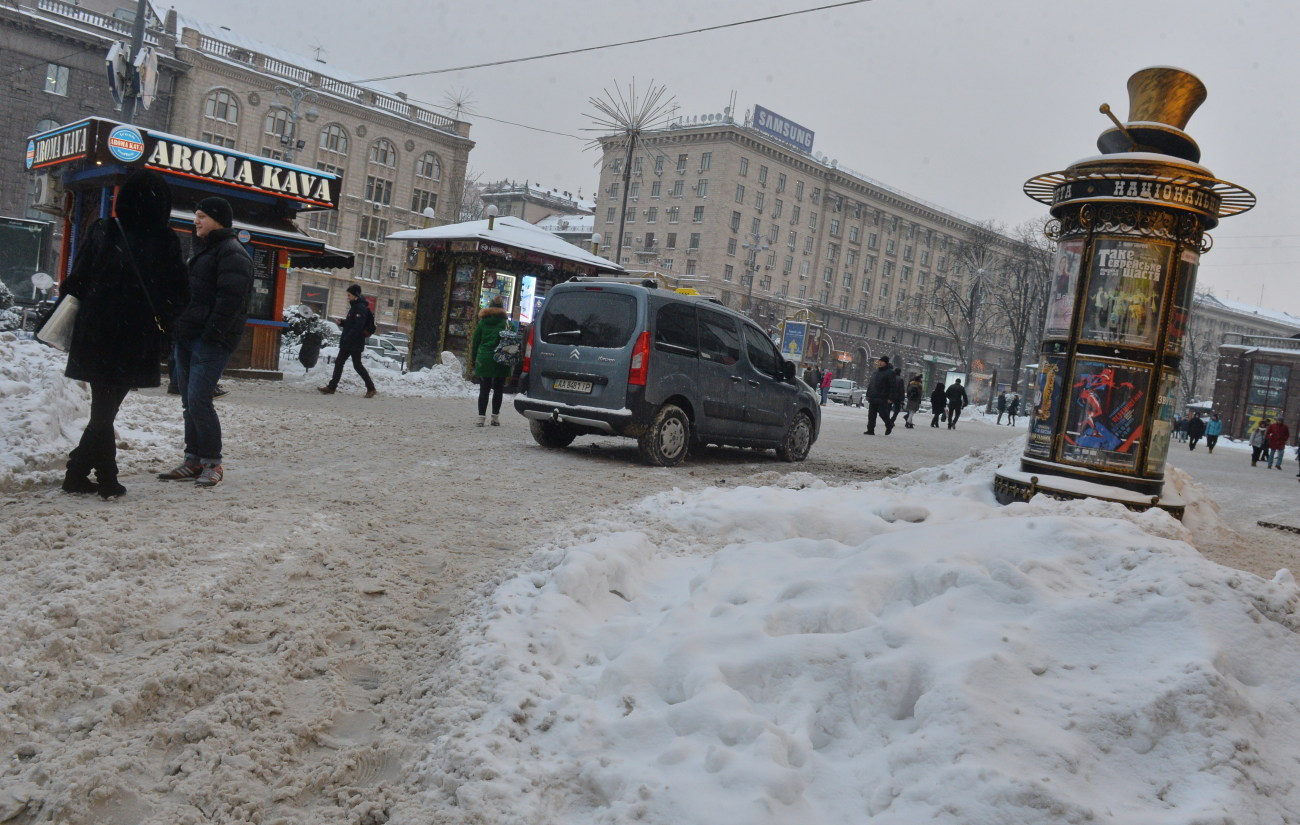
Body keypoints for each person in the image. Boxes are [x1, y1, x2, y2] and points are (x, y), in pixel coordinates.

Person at [58, 170, 189, 498]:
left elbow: (74, 283)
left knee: (103, 408)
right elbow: (179, 295)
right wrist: (159, 314)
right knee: (105, 409)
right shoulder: (166, 240)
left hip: (96, 335)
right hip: (135, 338)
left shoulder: (104, 229)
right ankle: (104, 478)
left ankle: (79, 473)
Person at [157, 196, 253, 489]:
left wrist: (211, 334)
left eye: (201, 216)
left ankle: (212, 462)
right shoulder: (203, 251)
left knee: (199, 401)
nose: (195, 221)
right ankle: (193, 459)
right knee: (189, 402)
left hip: (209, 341)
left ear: (217, 219)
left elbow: (230, 301)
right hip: (188, 337)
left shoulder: (232, 253)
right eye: (195, 215)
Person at [318, 284, 377, 397]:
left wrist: (348, 337)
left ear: (355, 295)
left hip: (354, 341)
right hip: (350, 341)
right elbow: (353, 323)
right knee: (340, 363)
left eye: (349, 295)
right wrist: (343, 323)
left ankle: (371, 388)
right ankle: (332, 387)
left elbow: (358, 326)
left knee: (356, 365)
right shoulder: (355, 307)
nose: (347, 297)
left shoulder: (360, 307)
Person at [470, 295, 512, 426]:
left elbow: (476, 342)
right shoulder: (506, 323)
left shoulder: (483, 322)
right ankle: (495, 418)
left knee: (484, 389)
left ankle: (481, 418)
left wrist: (473, 359)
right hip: (501, 358)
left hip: (485, 358)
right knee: (498, 388)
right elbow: (513, 340)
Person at [863, 356, 895, 435]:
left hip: (883, 397)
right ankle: (870, 430)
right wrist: (868, 394)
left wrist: (891, 397)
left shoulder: (890, 372)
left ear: (886, 363)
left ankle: (889, 424)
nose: (880, 363)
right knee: (871, 414)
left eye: (882, 361)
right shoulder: (876, 372)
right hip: (873, 396)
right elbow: (871, 384)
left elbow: (893, 386)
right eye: (879, 361)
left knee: (882, 413)